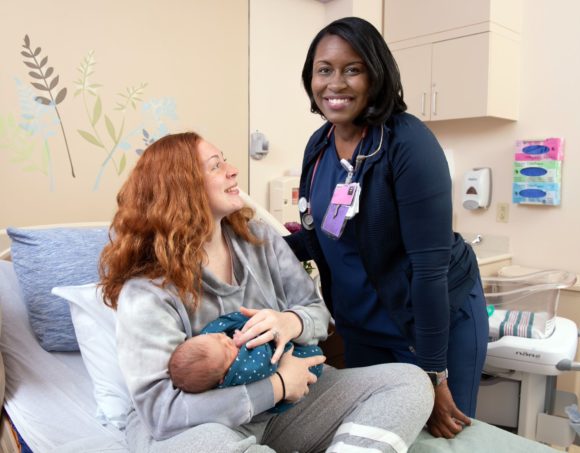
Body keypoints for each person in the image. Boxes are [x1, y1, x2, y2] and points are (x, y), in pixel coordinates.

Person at [99, 131, 434, 452]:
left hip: (289, 407)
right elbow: (162, 414)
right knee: (208, 446)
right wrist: (277, 387)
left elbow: (317, 311)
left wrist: (291, 322)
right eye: (216, 166)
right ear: (180, 188)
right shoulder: (147, 292)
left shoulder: (261, 241)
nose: (233, 171)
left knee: (409, 383)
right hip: (204, 425)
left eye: (226, 161)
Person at [285, 17, 489, 439]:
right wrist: (243, 244)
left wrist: (434, 372)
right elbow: (323, 235)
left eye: (352, 69)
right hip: (363, 330)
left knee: (441, 440)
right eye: (324, 70)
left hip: (430, 325)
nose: (335, 84)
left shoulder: (408, 143)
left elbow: (429, 270)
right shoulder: (319, 145)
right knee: (376, 438)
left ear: (376, 75)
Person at [168, 311, 323, 413]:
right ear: (223, 377)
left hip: (283, 354)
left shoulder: (210, 348)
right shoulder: (240, 372)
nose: (226, 339)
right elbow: (265, 362)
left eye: (217, 337)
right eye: (227, 349)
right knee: (315, 354)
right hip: (277, 370)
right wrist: (249, 337)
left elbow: (219, 325)